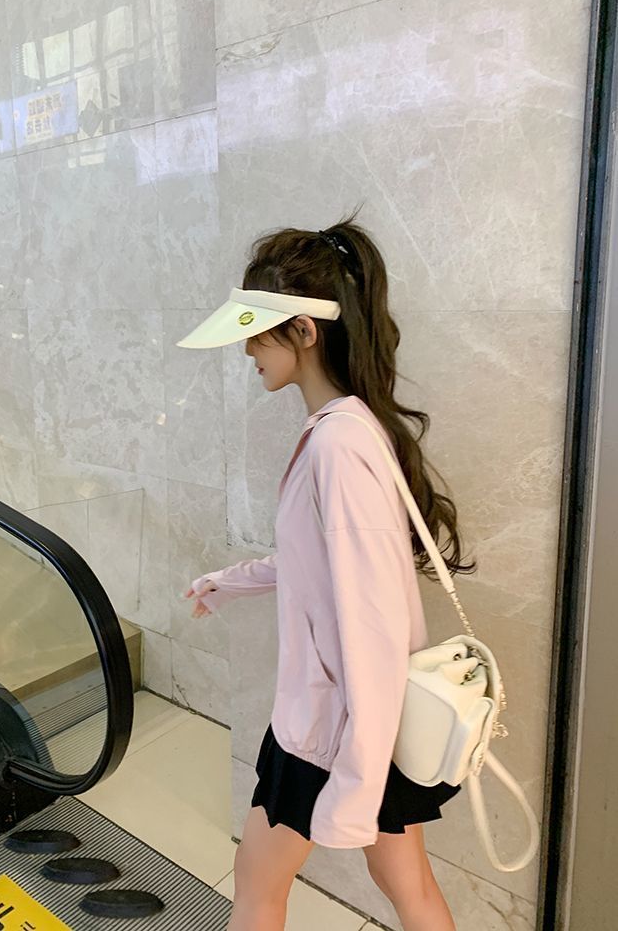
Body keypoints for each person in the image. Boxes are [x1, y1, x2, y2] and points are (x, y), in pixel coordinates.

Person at [177, 208, 475, 931]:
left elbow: (370, 625)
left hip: (328, 726)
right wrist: (230, 581)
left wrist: (357, 780)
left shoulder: (340, 444)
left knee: (258, 886)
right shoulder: (347, 428)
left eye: (258, 330)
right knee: (406, 883)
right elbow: (322, 563)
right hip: (356, 720)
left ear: (305, 332)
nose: (248, 348)